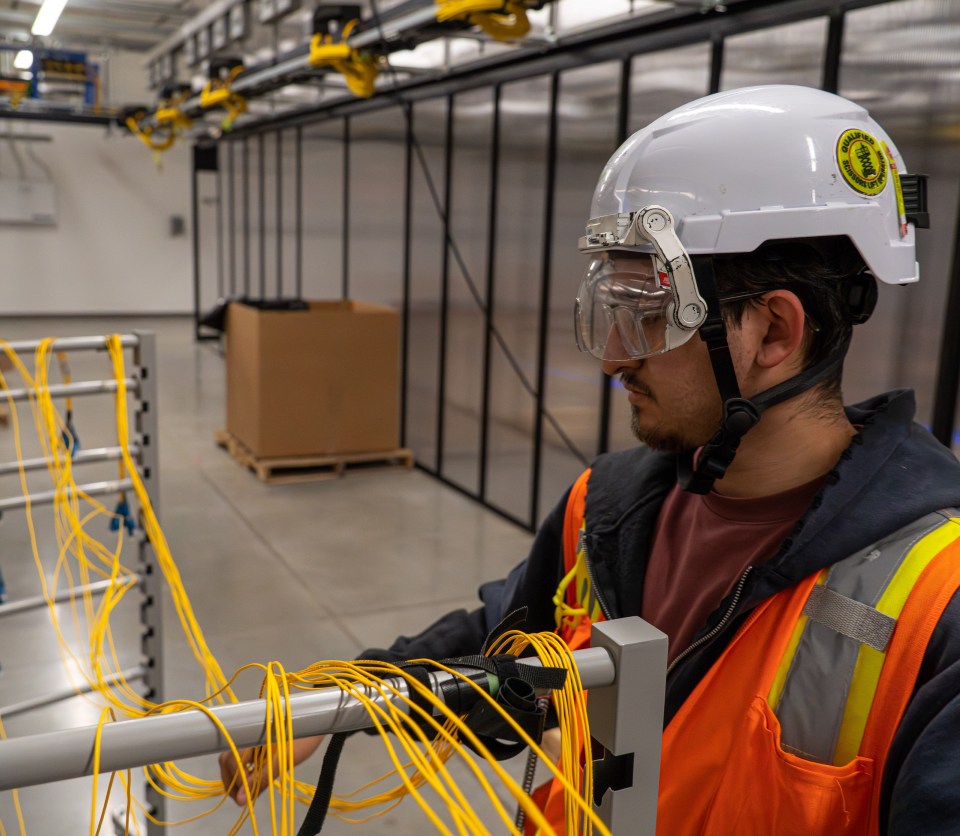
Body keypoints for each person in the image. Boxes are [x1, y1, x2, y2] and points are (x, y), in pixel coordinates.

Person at [221, 85, 960, 834]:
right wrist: (341, 700)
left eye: (646, 314)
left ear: (772, 333)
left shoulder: (938, 604)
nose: (612, 357)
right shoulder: (606, 505)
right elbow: (498, 649)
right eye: (612, 310)